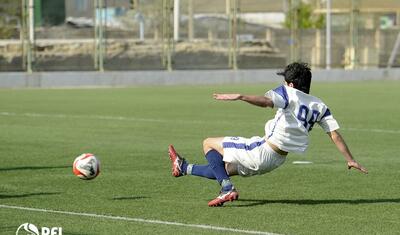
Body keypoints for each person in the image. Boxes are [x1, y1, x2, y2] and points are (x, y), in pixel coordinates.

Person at [168, 62, 368, 207]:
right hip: (276, 160)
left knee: (208, 143)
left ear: (290, 84)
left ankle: (227, 190)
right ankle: (183, 167)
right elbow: (334, 135)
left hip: (262, 151)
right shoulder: (319, 105)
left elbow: (266, 102)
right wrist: (350, 159)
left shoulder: (288, 93)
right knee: (224, 168)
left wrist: (241, 96)